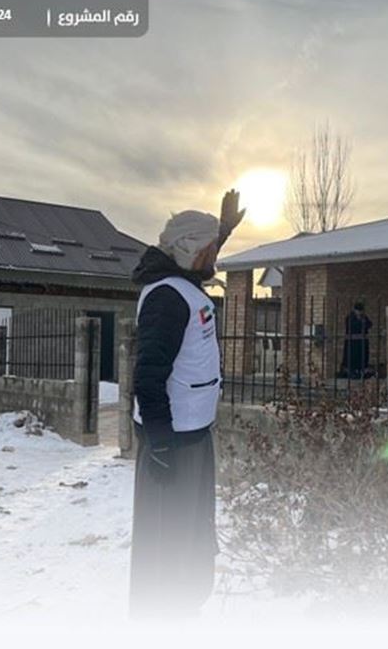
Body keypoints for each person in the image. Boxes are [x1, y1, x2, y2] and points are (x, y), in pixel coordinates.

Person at [129, 190, 244, 620]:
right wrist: (159, 443)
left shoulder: (184, 282)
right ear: (192, 250)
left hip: (192, 436)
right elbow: (148, 374)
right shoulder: (167, 298)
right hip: (172, 444)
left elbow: (199, 256)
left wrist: (223, 229)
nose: (215, 254)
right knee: (168, 542)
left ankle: (184, 612)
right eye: (210, 247)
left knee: (192, 535)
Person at [340, 301, 373, 379]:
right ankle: (351, 371)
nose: (360, 313)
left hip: (362, 342)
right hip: (353, 342)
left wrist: (362, 320)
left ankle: (361, 371)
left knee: (362, 356)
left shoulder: (364, 317)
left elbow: (369, 324)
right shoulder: (350, 317)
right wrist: (360, 322)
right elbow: (351, 326)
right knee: (352, 357)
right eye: (358, 311)